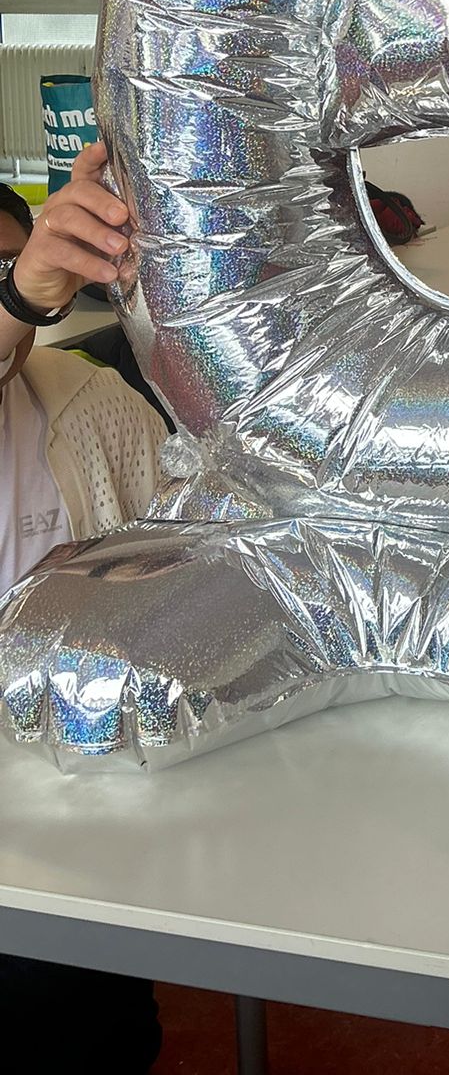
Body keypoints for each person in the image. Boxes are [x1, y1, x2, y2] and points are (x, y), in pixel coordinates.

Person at [0, 146, 165, 1071]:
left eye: (9, 259)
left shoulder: (90, 404)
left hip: (77, 813)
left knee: (89, 1013)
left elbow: (186, 553)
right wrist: (16, 300)